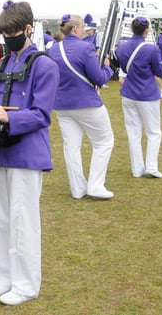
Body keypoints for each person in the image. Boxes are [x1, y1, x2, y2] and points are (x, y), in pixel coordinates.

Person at [0, 0, 58, 306]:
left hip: (26, 153)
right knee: (0, 217)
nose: (7, 38)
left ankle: (25, 285)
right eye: (3, 32)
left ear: (28, 29)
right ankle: (5, 276)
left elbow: (41, 114)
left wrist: (10, 117)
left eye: (12, 32)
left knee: (23, 220)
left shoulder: (45, 65)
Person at [48, 14, 115, 200]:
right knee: (104, 141)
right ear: (76, 29)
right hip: (86, 103)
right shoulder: (86, 47)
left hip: (62, 105)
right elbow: (99, 79)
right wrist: (108, 68)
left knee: (72, 147)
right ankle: (95, 185)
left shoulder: (53, 49)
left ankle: (78, 188)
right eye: (82, 27)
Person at [116, 17, 162, 178]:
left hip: (129, 92)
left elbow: (123, 67)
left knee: (133, 132)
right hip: (147, 93)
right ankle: (151, 166)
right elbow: (159, 71)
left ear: (131, 29)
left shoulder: (122, 47)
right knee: (154, 132)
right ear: (147, 30)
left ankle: (137, 169)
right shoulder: (151, 49)